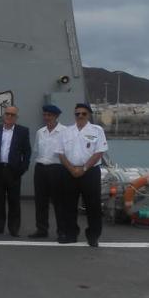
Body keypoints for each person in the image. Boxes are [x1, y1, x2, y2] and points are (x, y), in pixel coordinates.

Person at [56, 103, 108, 247]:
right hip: (69, 171)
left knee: (93, 206)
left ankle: (93, 236)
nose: (80, 116)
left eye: (83, 113)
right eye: (77, 113)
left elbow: (99, 152)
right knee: (69, 205)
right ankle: (71, 234)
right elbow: (60, 153)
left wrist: (84, 168)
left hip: (90, 172)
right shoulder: (66, 131)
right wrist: (72, 169)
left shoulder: (97, 130)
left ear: (89, 115)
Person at [0, 106, 32, 237]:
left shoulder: (23, 131)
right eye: (7, 114)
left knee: (14, 201)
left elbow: (27, 152)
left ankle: (14, 228)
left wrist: (23, 168)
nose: (9, 116)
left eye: (12, 115)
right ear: (3, 115)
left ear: (16, 117)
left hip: (13, 171)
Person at [29, 105, 67, 239]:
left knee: (59, 202)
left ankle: (62, 231)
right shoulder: (41, 132)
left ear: (56, 116)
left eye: (49, 115)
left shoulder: (65, 132)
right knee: (40, 201)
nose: (46, 118)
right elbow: (37, 150)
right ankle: (41, 229)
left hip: (57, 169)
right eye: (45, 115)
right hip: (41, 168)